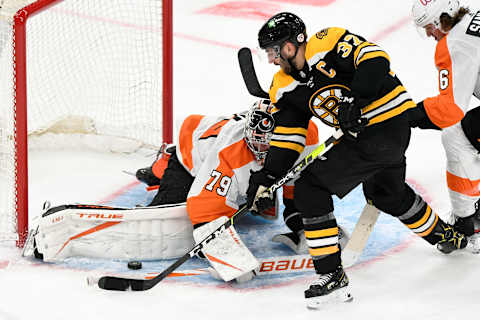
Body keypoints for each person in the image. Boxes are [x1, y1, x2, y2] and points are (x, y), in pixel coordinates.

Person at [246, 12, 470, 308]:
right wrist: (267, 177)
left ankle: (331, 277)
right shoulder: (284, 86)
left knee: (310, 188)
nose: (273, 59)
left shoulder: (327, 41)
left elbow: (376, 59)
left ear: (293, 44)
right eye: (269, 53)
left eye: (275, 51)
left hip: (387, 125)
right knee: (387, 194)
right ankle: (448, 237)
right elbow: (289, 137)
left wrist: (356, 99)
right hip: (373, 139)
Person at [30, 100, 334, 283]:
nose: (266, 154)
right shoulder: (230, 156)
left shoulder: (303, 133)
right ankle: (165, 163)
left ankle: (160, 168)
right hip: (191, 158)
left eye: (273, 148)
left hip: (211, 140)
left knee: (256, 206)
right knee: (166, 215)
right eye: (259, 148)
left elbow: (298, 176)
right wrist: (232, 260)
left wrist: (299, 222)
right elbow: (204, 211)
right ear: (250, 140)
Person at [409, 0, 480, 247]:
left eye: (429, 26)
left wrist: (411, 114)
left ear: (442, 17)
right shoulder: (474, 15)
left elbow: (450, 109)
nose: (429, 33)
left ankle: (468, 224)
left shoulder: (454, 42)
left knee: (457, 134)